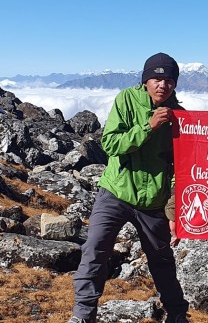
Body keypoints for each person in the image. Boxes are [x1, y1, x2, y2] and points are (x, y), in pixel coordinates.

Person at [70, 52, 190, 323]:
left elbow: (178, 168)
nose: (162, 85)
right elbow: (110, 144)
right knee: (95, 249)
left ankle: (178, 315)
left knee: (162, 261)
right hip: (116, 192)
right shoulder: (126, 99)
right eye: (156, 78)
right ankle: (82, 315)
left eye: (169, 80)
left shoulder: (179, 116)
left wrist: (173, 211)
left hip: (153, 201)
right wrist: (148, 127)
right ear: (145, 81)